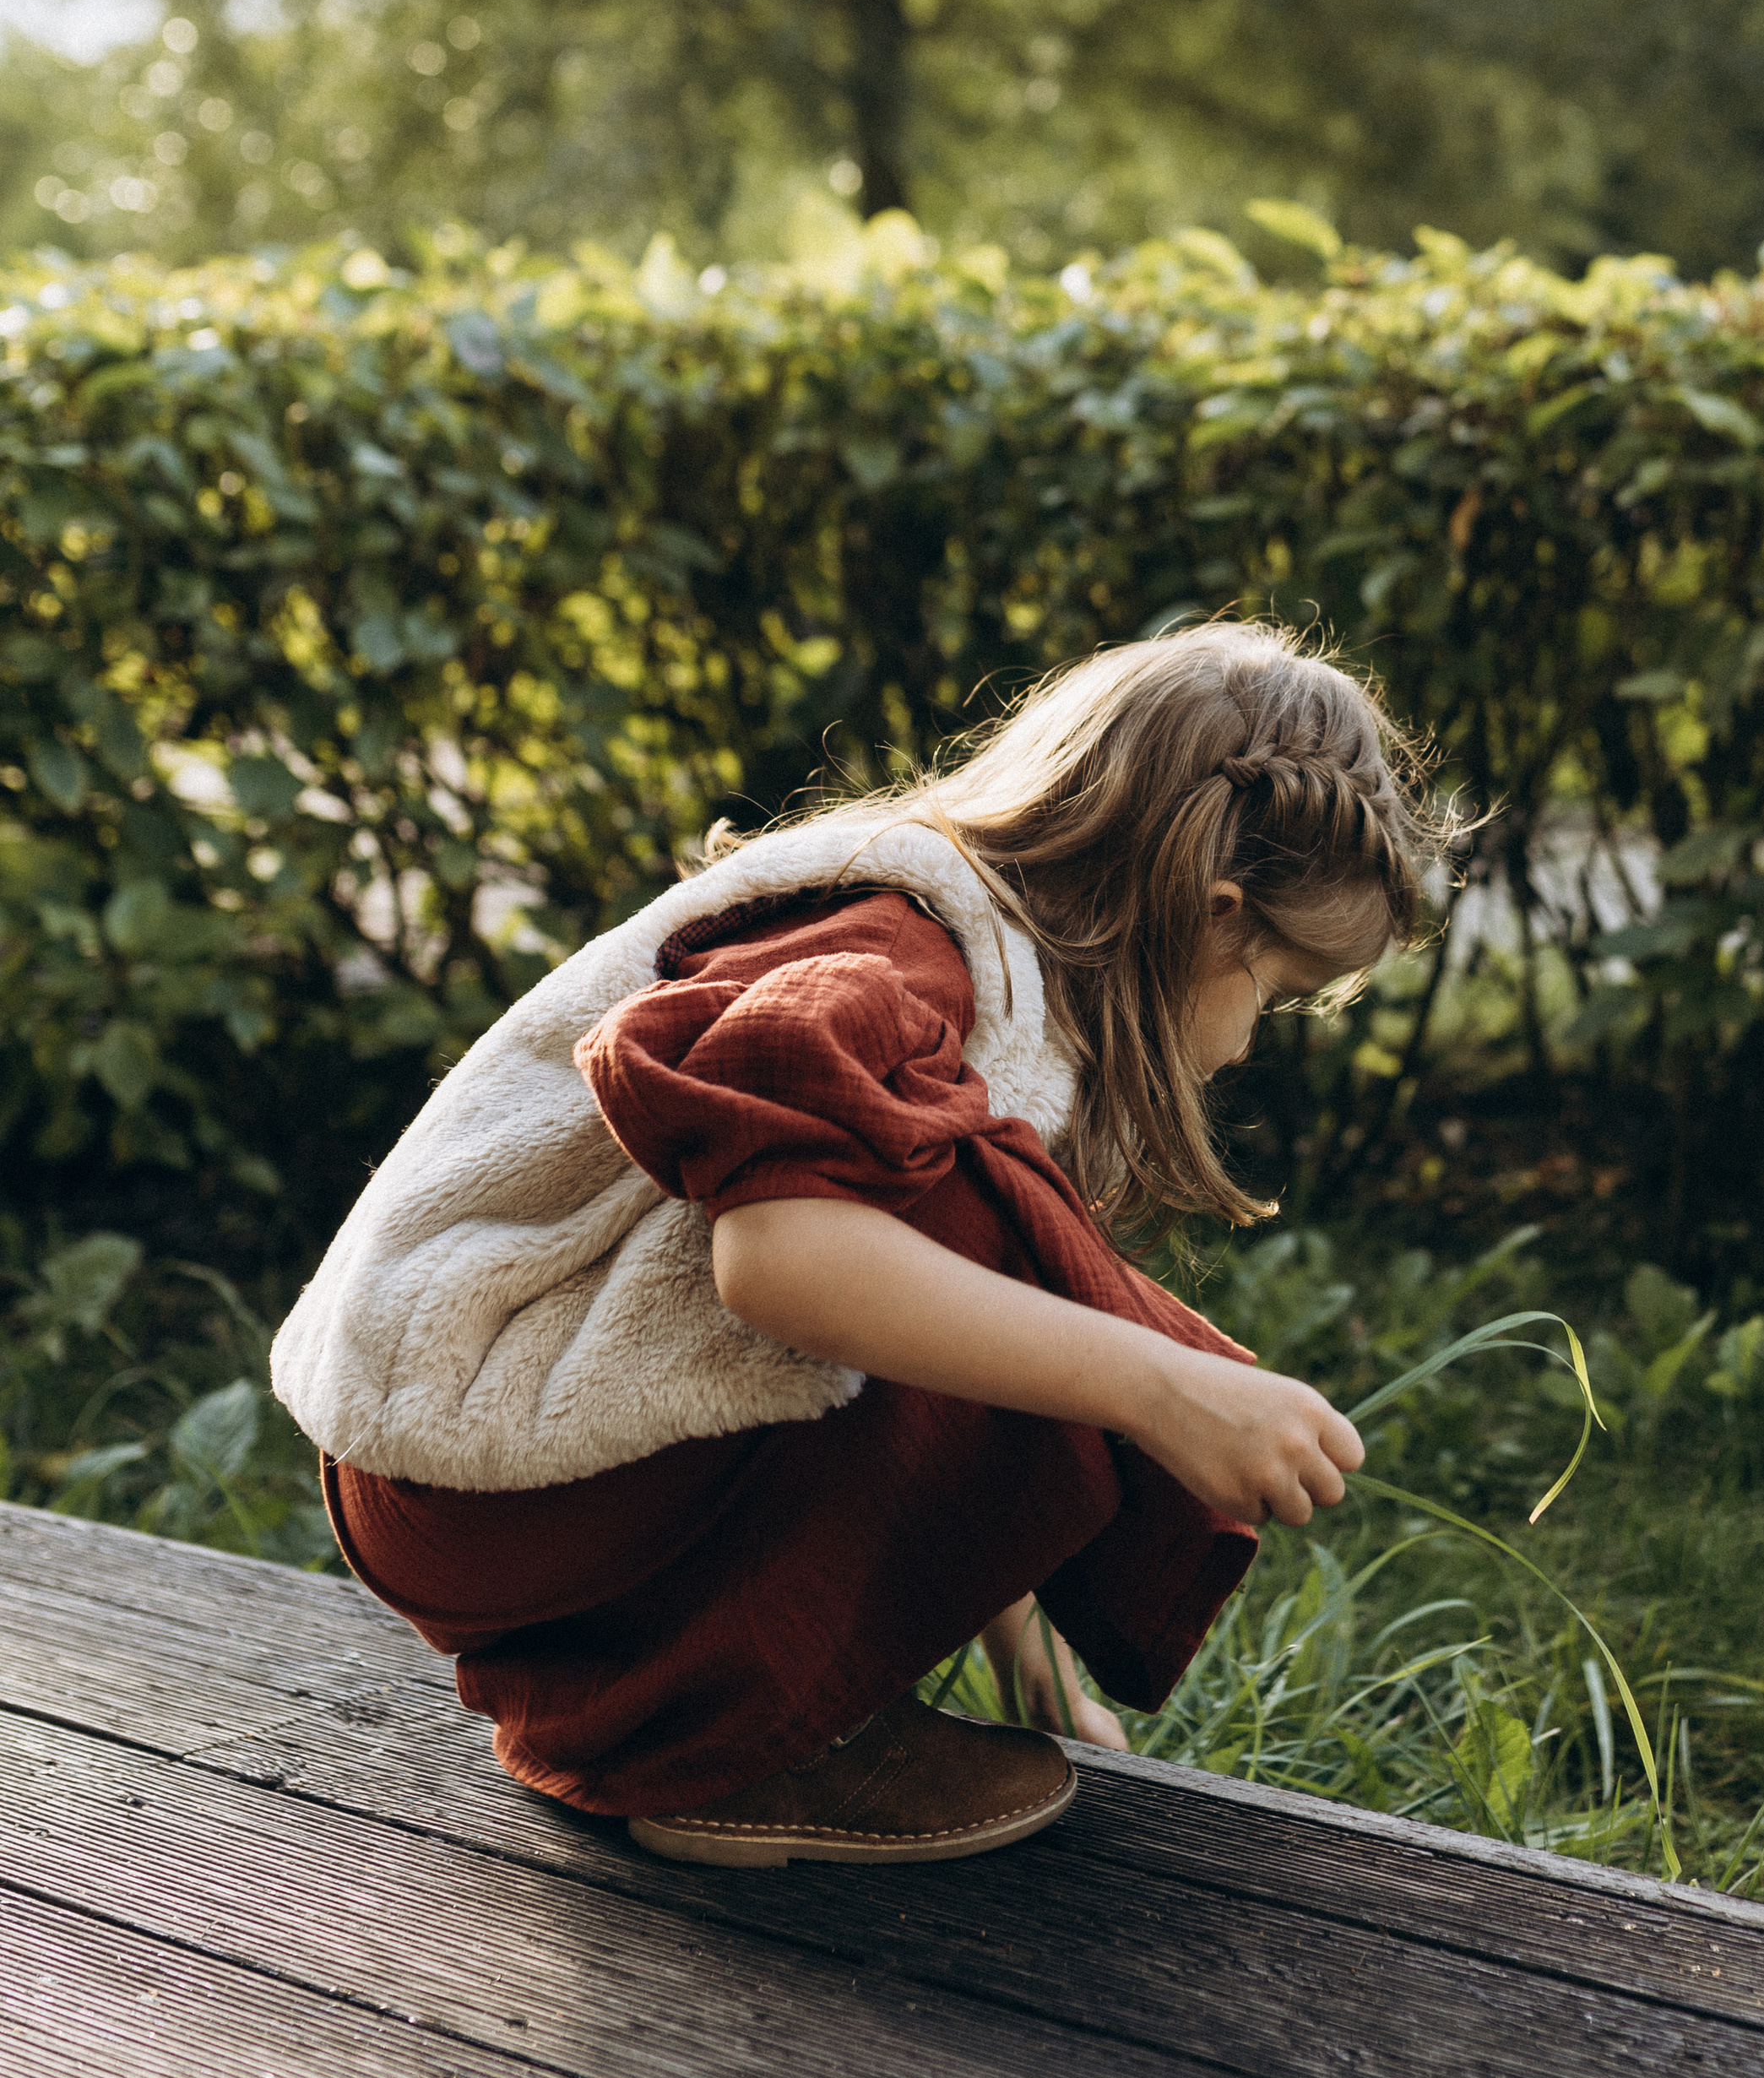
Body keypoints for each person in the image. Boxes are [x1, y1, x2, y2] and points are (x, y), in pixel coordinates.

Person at [271, 620, 1452, 1869]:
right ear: (1214, 918)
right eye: (1274, 993)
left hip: (484, 1467)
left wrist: (1032, 1652)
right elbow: (786, 1257)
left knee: (996, 1256)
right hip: (475, 1465)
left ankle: (685, 1703)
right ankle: (719, 1742)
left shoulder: (975, 961)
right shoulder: (896, 949)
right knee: (989, 1256)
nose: (1251, 1040)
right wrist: (1163, 1386)